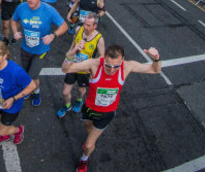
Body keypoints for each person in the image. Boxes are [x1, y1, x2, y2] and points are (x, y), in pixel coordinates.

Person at [62, 44, 163, 172]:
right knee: (88, 128)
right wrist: (70, 54)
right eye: (108, 65)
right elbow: (66, 69)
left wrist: (156, 59)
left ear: (122, 60)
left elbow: (155, 70)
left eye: (116, 66)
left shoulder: (127, 66)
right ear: (104, 58)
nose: (111, 69)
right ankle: (90, 140)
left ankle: (84, 159)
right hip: (89, 109)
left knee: (87, 145)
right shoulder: (95, 64)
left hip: (107, 113)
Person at [11, 0, 68, 106]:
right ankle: (30, 88)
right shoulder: (21, 8)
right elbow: (14, 20)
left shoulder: (49, 10)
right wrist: (15, 32)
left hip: (41, 50)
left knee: (33, 76)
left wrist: (53, 35)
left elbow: (64, 26)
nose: (30, 0)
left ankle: (36, 92)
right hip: (25, 48)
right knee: (26, 74)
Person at [0, 41, 36, 147]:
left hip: (11, 106)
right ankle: (4, 136)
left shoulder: (16, 72)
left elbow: (32, 86)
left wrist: (13, 98)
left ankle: (18, 130)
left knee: (2, 130)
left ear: (5, 56)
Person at [56, 14, 105, 118]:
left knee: (81, 90)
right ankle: (67, 106)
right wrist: (69, 54)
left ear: (95, 26)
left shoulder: (99, 39)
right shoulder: (79, 29)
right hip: (72, 66)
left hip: (84, 70)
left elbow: (102, 58)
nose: (85, 27)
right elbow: (73, 43)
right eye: (84, 24)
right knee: (65, 92)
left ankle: (79, 101)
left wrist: (91, 68)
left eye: (88, 25)